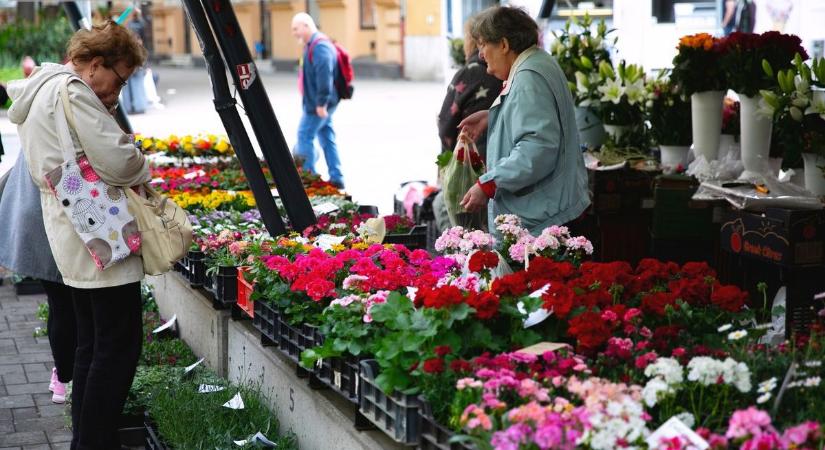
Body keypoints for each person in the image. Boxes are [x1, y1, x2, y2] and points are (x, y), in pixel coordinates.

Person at [7, 21, 150, 449]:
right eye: (118, 79)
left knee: (91, 343)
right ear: (95, 64)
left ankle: (87, 442)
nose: (118, 90)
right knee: (118, 346)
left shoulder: (40, 89)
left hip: (70, 233)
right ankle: (93, 443)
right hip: (99, 233)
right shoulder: (73, 92)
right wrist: (138, 157)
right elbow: (120, 162)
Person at [458, 6, 590, 237]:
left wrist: (488, 184)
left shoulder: (528, 77)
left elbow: (537, 148)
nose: (480, 55)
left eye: (482, 45)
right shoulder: (538, 61)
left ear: (503, 44)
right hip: (549, 209)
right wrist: (494, 116)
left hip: (542, 219)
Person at [434, 15, 504, 233]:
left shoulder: (470, 72)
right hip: (501, 168)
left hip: (471, 167)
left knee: (459, 225)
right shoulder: (509, 72)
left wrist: (448, 164)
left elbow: (446, 124)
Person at [291, 12, 344, 189]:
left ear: (306, 25)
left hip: (318, 105)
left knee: (304, 136)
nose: (294, 33)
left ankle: (309, 179)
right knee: (327, 137)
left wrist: (321, 103)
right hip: (318, 103)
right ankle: (337, 177)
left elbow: (325, 76)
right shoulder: (312, 45)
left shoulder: (320, 47)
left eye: (296, 29)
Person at [121, 9, 148, 114]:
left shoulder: (128, 25)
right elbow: (145, 43)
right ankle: (139, 106)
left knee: (127, 86)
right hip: (137, 61)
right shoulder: (142, 24)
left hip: (127, 61)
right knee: (138, 84)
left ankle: (128, 107)